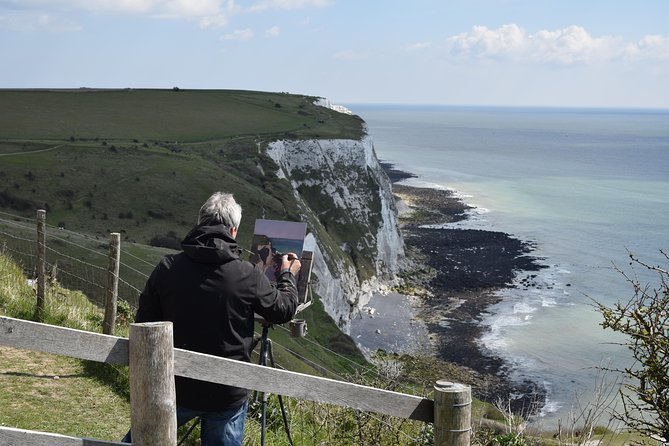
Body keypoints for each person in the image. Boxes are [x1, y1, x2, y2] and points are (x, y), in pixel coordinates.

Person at [122, 192, 301, 445]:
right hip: (225, 392)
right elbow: (283, 309)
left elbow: (144, 325)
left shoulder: (167, 268)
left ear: (199, 223)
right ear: (233, 231)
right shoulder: (246, 275)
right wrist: (287, 274)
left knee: (140, 440)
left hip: (174, 386)